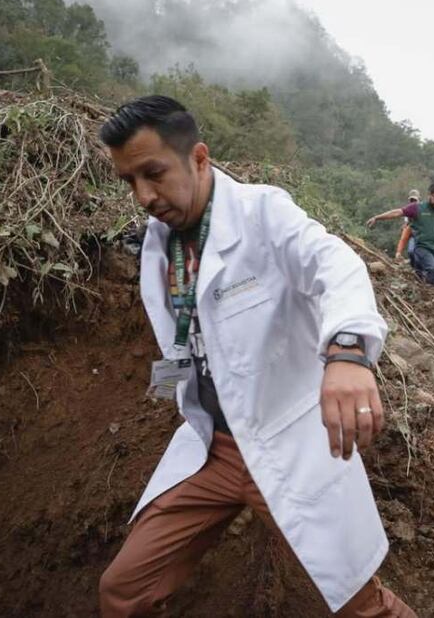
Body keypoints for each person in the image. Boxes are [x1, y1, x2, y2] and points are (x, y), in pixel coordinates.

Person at [96, 96, 414, 617]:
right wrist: (169, 389)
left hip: (287, 445)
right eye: (129, 181)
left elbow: (335, 265)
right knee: (124, 590)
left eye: (153, 173)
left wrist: (349, 354)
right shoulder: (161, 242)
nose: (144, 196)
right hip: (213, 450)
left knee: (362, 607)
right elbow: (185, 332)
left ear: (199, 157)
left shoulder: (263, 213)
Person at [366, 182, 434, 304]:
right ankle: (429, 294)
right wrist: (377, 217)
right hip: (423, 248)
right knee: (433, 269)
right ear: (429, 195)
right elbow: (397, 212)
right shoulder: (417, 207)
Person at [393, 189, 420, 261]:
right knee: (411, 251)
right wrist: (398, 252)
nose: (413, 202)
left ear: (418, 200)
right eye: (411, 200)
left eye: (415, 200)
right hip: (413, 235)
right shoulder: (408, 212)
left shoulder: (423, 209)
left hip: (424, 236)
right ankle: (415, 267)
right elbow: (403, 238)